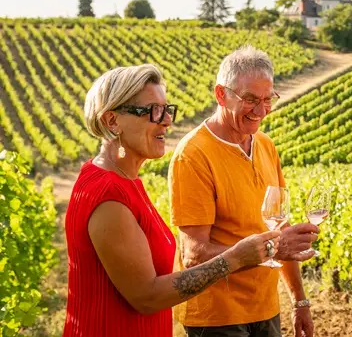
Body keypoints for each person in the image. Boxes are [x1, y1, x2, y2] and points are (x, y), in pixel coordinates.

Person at [64, 64, 280, 337]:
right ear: (112, 121)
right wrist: (235, 258)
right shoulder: (109, 197)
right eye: (152, 111)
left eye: (167, 110)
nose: (166, 120)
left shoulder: (124, 182)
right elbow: (147, 297)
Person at [169, 45, 318, 337]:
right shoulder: (193, 155)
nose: (261, 111)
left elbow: (280, 230)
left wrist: (300, 301)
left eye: (267, 99)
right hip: (217, 315)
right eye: (250, 99)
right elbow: (194, 254)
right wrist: (270, 250)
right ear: (221, 94)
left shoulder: (265, 145)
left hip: (265, 307)